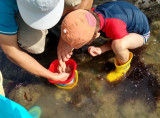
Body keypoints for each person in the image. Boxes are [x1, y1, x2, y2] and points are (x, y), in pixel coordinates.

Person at [58, 1, 150, 82]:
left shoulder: (115, 27)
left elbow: (116, 39)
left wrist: (102, 49)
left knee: (118, 45)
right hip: (126, 13)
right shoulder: (90, 15)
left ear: (96, 35)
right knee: (117, 41)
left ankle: (123, 68)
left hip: (141, 33)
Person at [0, 0, 70, 82]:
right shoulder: (2, 7)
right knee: (35, 46)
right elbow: (11, 52)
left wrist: (66, 39)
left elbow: (84, 4)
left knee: (74, 2)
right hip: (8, 7)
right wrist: (50, 75)